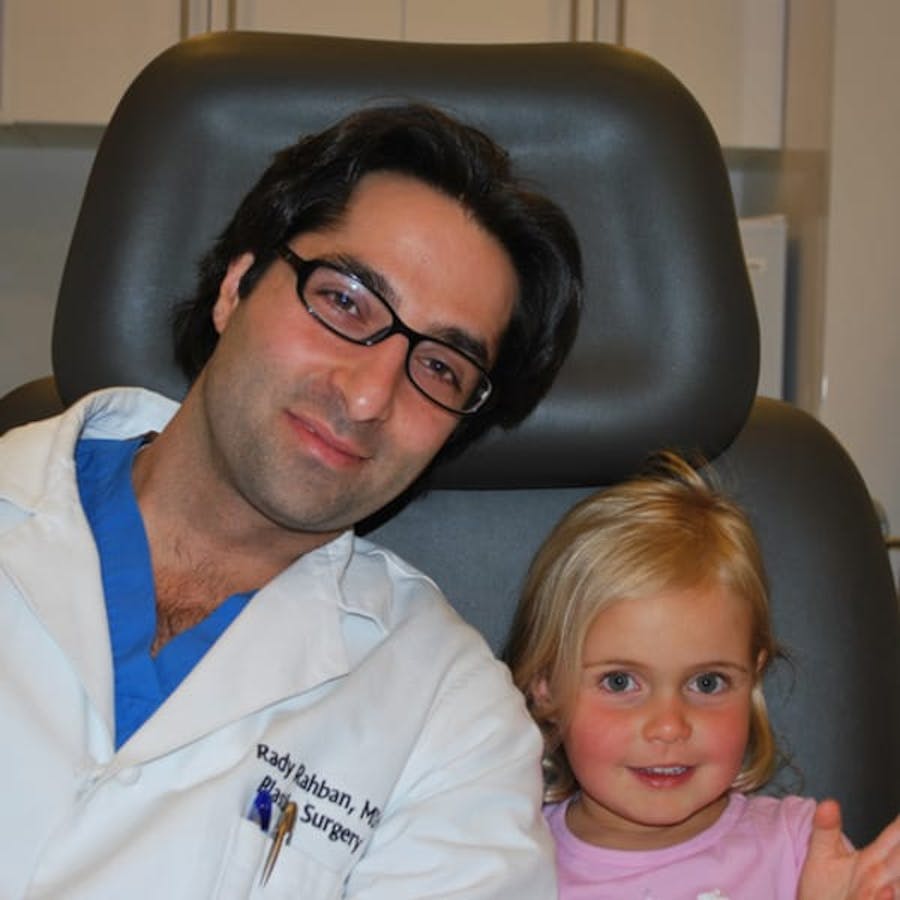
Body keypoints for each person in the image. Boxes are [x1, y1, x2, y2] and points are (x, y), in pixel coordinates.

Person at [0, 103, 582, 898]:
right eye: (346, 302)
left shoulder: (454, 724)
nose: (370, 394)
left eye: (441, 368)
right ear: (237, 288)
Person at [505, 451, 900, 900]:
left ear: (752, 679)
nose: (670, 725)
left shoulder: (801, 854)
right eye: (620, 682)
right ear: (545, 688)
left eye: (707, 683)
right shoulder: (514, 863)